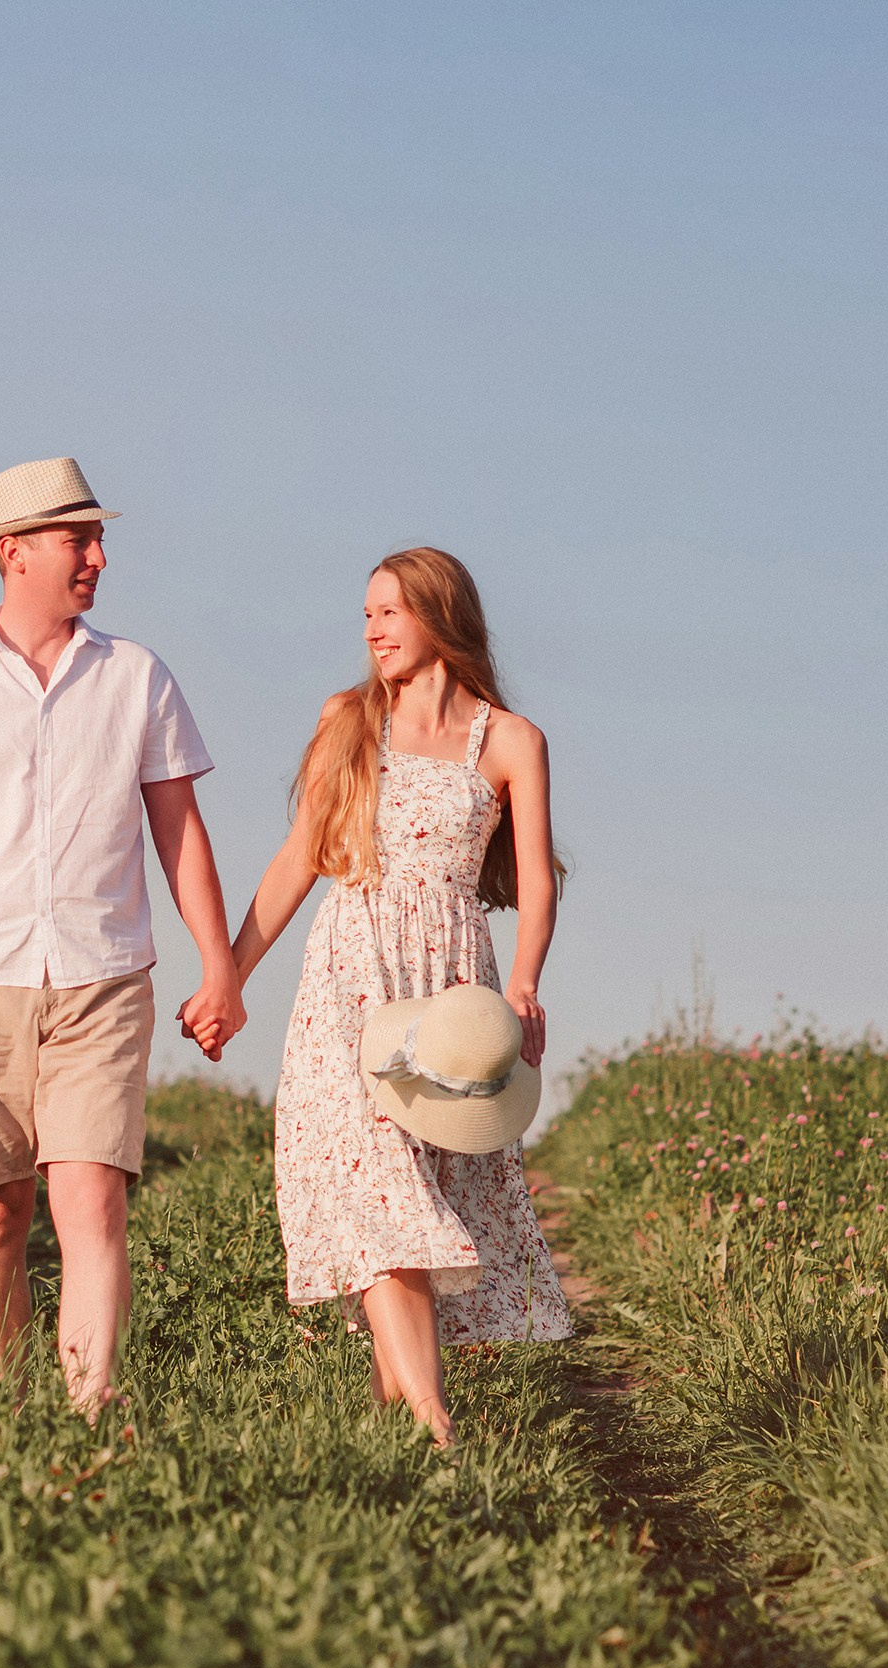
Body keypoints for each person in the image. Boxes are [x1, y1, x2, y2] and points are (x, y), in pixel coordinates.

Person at [0, 456, 247, 1414]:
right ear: (13, 553)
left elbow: (180, 830)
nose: (98, 557)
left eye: (96, 538)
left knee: (94, 1204)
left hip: (104, 972)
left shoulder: (137, 675)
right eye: (78, 539)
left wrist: (220, 965)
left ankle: (91, 1408)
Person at [214, 546, 569, 1445]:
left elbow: (538, 882)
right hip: (351, 976)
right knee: (378, 1186)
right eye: (366, 614)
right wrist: (229, 973)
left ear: (440, 616)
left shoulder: (514, 741)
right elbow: (300, 859)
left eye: (388, 612)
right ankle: (435, 1424)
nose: (371, 630)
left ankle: (387, 1431)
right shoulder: (349, 720)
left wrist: (523, 987)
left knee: (426, 1183)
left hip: (453, 987)